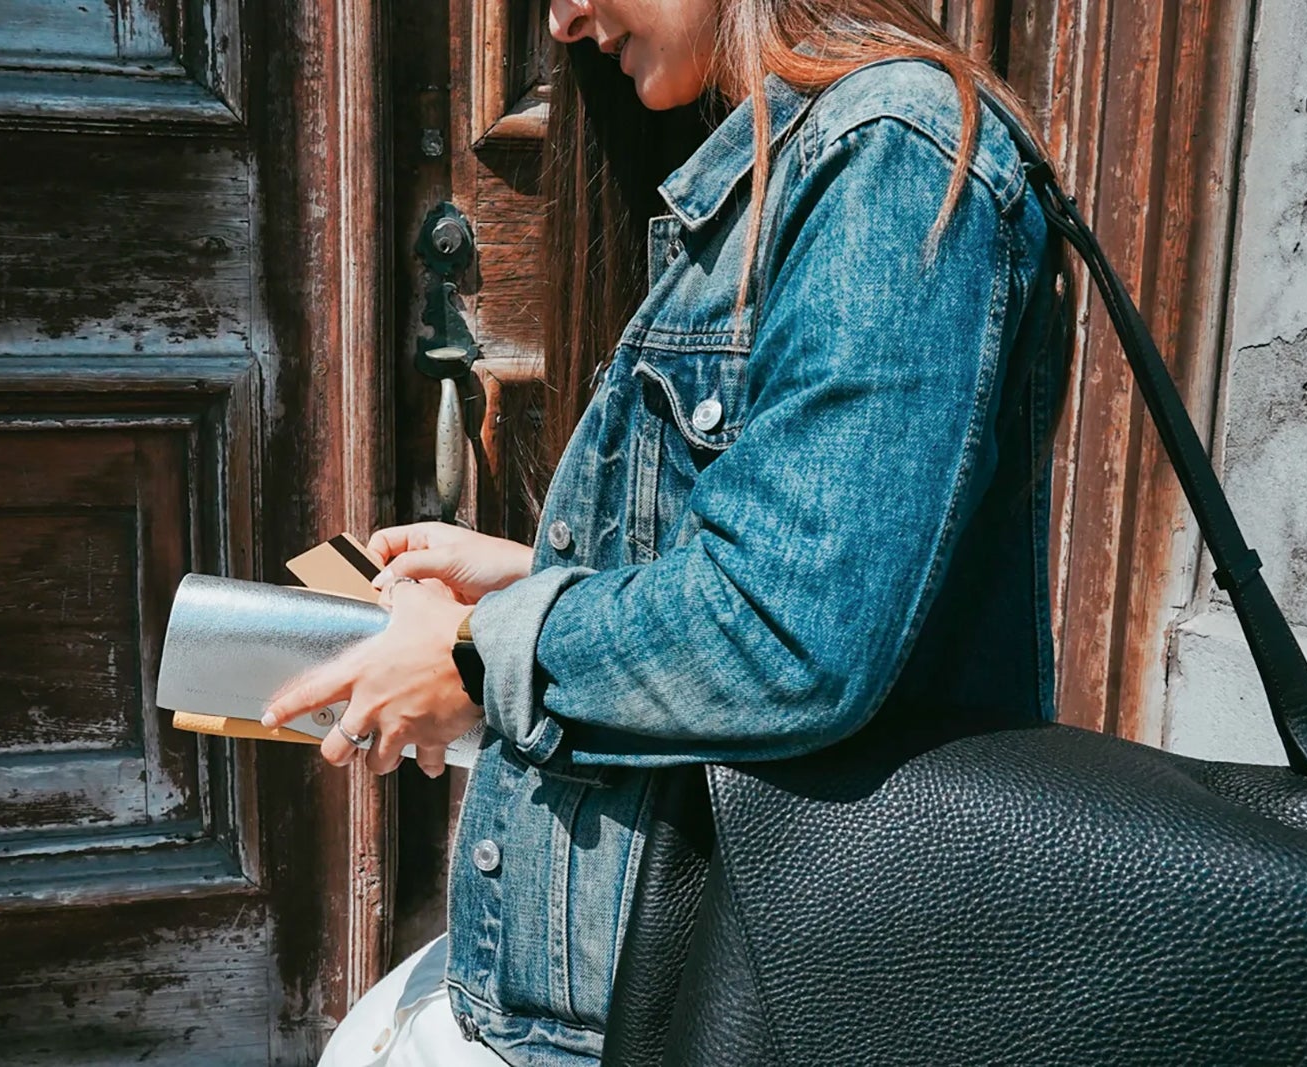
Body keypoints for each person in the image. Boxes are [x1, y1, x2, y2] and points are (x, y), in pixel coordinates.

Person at [268, 0, 1068, 1063]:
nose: (559, 19)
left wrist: (477, 652)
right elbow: (791, 559)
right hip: (647, 973)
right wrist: (534, 577)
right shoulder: (785, 161)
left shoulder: (888, 153)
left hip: (730, 988)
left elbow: (789, 632)